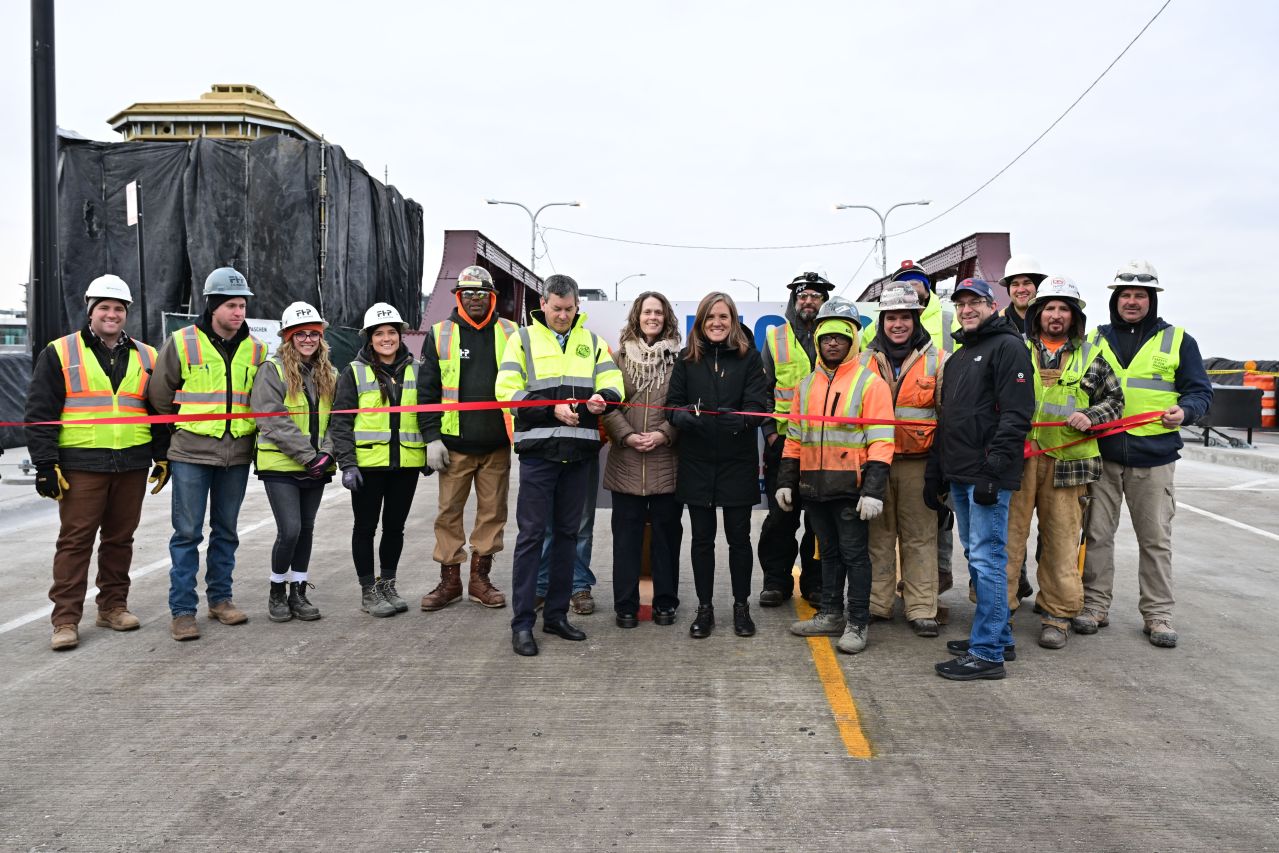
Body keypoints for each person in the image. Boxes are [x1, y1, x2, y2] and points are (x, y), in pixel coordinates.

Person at [25, 274, 167, 650]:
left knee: (120, 540)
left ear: (126, 314)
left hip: (132, 464)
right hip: (81, 465)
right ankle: (66, 620)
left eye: (118, 308)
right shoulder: (61, 352)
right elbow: (40, 413)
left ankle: (113, 606)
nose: (112, 314)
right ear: (90, 311)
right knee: (75, 542)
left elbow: (158, 411)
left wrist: (163, 455)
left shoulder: (148, 355)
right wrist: (45, 464)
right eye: (104, 307)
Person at [1078, 260, 1213, 648]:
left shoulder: (1177, 341)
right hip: (1102, 454)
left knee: (1155, 539)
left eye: (1140, 295)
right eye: (1125, 295)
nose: (1132, 301)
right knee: (1097, 535)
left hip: (1154, 456)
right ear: (1115, 300)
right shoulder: (1094, 340)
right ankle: (1094, 605)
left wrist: (1185, 412)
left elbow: (1200, 391)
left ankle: (1157, 614)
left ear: (1151, 300)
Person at [495, 275, 624, 656]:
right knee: (532, 537)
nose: (563, 315)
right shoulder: (522, 339)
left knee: (569, 535)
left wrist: (605, 398)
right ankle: (523, 624)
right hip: (539, 454)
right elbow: (506, 391)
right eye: (557, 309)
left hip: (581, 452)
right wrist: (549, 408)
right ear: (543, 303)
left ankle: (555, 616)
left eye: (569, 309)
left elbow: (614, 381)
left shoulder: (593, 342)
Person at [148, 267, 267, 642]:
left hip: (237, 455)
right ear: (213, 306)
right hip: (191, 454)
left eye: (243, 305)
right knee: (186, 534)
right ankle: (183, 611)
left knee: (226, 531)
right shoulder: (182, 342)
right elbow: (160, 394)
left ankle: (220, 599)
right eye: (231, 305)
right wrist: (181, 432)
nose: (238, 312)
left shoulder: (259, 349)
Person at [1008, 277, 1124, 650]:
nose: (1055, 315)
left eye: (1063, 309)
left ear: (1074, 317)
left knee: (1060, 542)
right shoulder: (1016, 351)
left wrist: (1092, 415)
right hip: (1020, 461)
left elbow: (1116, 402)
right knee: (1008, 541)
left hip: (1068, 465)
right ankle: (1001, 609)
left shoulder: (1092, 356)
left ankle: (1056, 614)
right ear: (1038, 314)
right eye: (1049, 308)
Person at [927, 279, 1034, 680]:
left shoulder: (1008, 348)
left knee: (988, 559)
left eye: (976, 302)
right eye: (962, 303)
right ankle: (1000, 635)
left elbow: (1016, 414)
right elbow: (952, 419)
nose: (968, 309)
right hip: (962, 472)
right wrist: (940, 471)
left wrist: (994, 471)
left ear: (993, 306)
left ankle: (986, 652)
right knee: (977, 555)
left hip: (987, 474)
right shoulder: (960, 356)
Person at [778, 298, 894, 654]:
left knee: (854, 556)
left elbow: (881, 440)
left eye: (840, 338)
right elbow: (795, 437)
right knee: (826, 554)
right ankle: (830, 614)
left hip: (851, 489)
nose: (832, 343)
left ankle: (857, 622)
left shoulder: (870, 384)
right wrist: (786, 480)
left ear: (852, 341)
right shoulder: (805, 386)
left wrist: (873, 489)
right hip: (815, 488)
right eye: (826, 337)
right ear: (818, 342)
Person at [667, 292, 769, 639]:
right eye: (710, 317)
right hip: (696, 462)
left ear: (733, 320)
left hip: (736, 462)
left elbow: (759, 404)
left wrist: (740, 421)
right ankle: (705, 608)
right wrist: (683, 418)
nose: (717, 323)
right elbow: (672, 404)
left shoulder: (749, 359)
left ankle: (742, 607)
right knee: (702, 541)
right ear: (700, 321)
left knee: (739, 539)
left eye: (723, 317)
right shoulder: (686, 360)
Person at [418, 265, 517, 612]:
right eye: (468, 294)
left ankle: (480, 580)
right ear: (458, 297)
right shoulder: (440, 333)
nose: (475, 299)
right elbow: (427, 389)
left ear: (493, 297)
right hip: (454, 445)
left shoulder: (511, 332)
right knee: (448, 514)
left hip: (496, 445)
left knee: (492, 514)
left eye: (482, 294)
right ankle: (450, 582)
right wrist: (431, 437)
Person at [861, 284, 947, 637]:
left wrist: (940, 468)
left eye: (905, 317)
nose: (898, 324)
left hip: (918, 462)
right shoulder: (863, 361)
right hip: (875, 462)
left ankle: (922, 608)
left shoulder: (938, 359)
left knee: (920, 536)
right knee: (877, 536)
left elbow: (947, 416)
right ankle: (876, 605)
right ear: (882, 321)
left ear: (916, 319)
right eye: (891, 317)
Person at [331, 303, 426, 619]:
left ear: (400, 335)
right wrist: (347, 463)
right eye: (380, 333)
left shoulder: (417, 370)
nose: (387, 338)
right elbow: (341, 422)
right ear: (369, 339)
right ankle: (368, 591)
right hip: (368, 466)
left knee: (395, 528)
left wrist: (428, 451)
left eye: (392, 332)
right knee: (365, 527)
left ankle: (388, 583)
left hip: (406, 464)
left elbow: (428, 414)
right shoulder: (354, 373)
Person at [250, 301, 338, 623]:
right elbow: (271, 420)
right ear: (288, 337)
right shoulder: (271, 370)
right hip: (282, 465)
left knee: (307, 530)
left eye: (313, 333)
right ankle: (277, 590)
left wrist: (328, 453)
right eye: (300, 334)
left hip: (316, 464)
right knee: (290, 530)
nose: (307, 339)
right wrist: (309, 455)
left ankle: (298, 592)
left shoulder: (329, 373)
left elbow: (337, 421)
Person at [602, 291, 683, 628]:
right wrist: (627, 435)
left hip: (667, 466)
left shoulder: (679, 361)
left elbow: (685, 407)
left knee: (667, 541)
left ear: (666, 319)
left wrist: (665, 433)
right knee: (626, 543)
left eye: (659, 313)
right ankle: (625, 607)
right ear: (637, 316)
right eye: (647, 312)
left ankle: (665, 604)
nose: (653, 317)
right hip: (626, 464)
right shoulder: (618, 359)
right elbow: (608, 404)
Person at [758, 266, 831, 607]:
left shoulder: (839, 338)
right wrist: (771, 434)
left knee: (819, 523)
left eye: (816, 296)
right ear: (793, 300)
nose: (809, 302)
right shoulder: (776, 337)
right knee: (780, 519)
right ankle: (776, 581)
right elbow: (764, 391)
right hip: (785, 447)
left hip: (827, 448)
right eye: (803, 296)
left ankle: (814, 584)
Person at [998, 254, 1047, 336]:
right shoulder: (997, 324)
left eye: (1027, 283)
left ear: (1037, 286)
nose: (1021, 290)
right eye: (1015, 284)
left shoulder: (1052, 320)